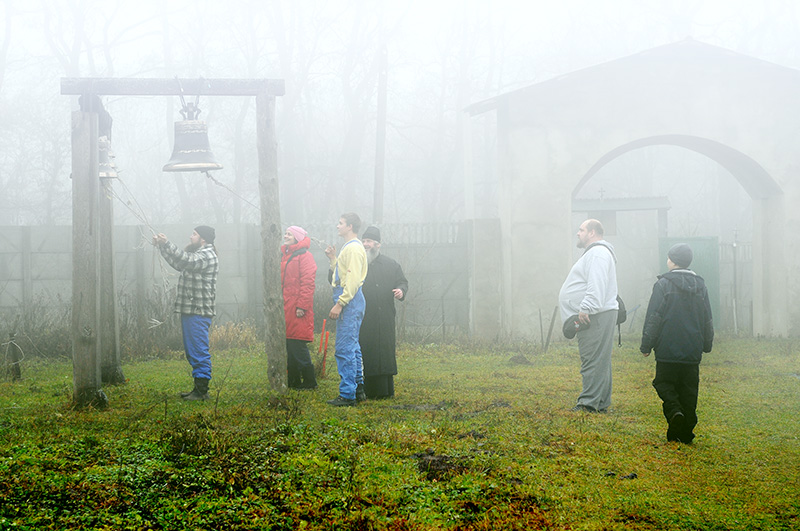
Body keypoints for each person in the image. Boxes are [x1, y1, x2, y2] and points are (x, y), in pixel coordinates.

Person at [640, 243, 714, 443]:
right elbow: (707, 317)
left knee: (663, 382)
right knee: (689, 390)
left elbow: (654, 317)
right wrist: (707, 344)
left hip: (667, 348)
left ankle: (674, 411)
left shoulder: (663, 284)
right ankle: (685, 433)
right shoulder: (701, 285)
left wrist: (646, 345)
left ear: (672, 261)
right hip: (692, 350)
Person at [558, 219, 619, 413]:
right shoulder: (596, 253)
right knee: (600, 359)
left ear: (592, 232)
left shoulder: (598, 253)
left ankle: (588, 404)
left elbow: (596, 283)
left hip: (595, 315)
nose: (578, 233)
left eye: (581, 230)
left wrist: (586, 307)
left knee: (591, 358)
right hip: (599, 314)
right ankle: (600, 403)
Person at [153, 225, 219, 401]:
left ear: (203, 238)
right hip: (190, 310)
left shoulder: (207, 255)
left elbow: (187, 260)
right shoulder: (199, 255)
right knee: (193, 351)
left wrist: (167, 243)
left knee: (199, 350)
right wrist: (162, 246)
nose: (191, 237)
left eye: (194, 234)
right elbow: (179, 263)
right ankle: (198, 388)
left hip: (198, 311)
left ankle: (202, 391)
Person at [359, 226, 409, 399]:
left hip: (386, 316)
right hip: (364, 317)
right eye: (364, 241)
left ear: (378, 244)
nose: (365, 244)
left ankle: (385, 391)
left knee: (385, 351)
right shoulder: (357, 263)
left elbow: (402, 282)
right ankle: (367, 390)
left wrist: (401, 291)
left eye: (369, 241)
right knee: (367, 350)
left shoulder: (391, 264)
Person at [325, 213, 368, 407]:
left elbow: (351, 281)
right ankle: (358, 388)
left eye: (340, 223)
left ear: (350, 226)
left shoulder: (353, 249)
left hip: (349, 300)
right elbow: (341, 273)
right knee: (353, 346)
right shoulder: (350, 248)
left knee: (344, 348)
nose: (337, 226)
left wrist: (340, 303)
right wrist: (333, 259)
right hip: (351, 298)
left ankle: (347, 394)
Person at [281, 225, 318, 390]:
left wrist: (302, 306)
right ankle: (294, 380)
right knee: (289, 342)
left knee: (298, 343)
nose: (286, 236)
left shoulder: (305, 256)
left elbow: (308, 282)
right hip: (286, 305)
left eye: (289, 234)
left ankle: (310, 381)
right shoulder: (285, 255)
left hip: (297, 307)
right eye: (285, 233)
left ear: (297, 237)